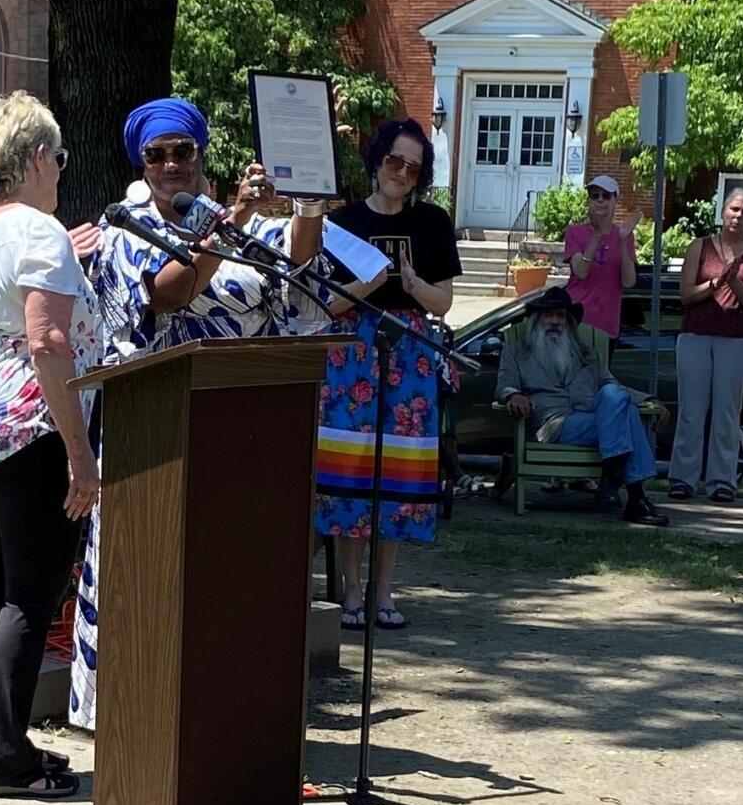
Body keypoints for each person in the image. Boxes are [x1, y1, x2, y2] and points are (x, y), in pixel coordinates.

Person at [70, 96, 322, 730]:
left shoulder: (239, 221)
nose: (171, 165)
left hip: (238, 430)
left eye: (182, 151)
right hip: (150, 432)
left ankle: (225, 714)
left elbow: (298, 268)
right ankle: (131, 716)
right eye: (157, 155)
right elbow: (170, 292)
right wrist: (230, 219)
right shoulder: (124, 227)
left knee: (226, 579)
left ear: (200, 154)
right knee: (145, 579)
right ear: (142, 163)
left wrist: (309, 202)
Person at [0, 92, 101, 799]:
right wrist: (81, 455)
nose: (61, 169)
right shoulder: (41, 232)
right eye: (58, 157)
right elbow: (47, 341)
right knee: (31, 595)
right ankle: (1, 758)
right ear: (36, 157)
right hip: (28, 424)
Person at [316, 118, 459, 632]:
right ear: (377, 161)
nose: (402, 173)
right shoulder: (340, 222)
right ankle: (350, 589)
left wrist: (413, 285)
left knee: (397, 473)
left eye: (413, 168)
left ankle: (384, 590)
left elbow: (444, 301)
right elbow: (323, 306)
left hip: (410, 353)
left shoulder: (433, 223)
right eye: (394, 161)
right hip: (351, 351)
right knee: (347, 470)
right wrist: (368, 284)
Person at [499, 287, 663, 519]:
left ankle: (614, 472)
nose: (555, 322)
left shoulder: (587, 354)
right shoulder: (517, 353)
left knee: (615, 397)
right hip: (555, 424)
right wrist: (513, 395)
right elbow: (504, 384)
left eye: (561, 316)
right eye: (549, 315)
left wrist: (648, 399)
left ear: (568, 323)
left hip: (595, 418)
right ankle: (633, 494)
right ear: (537, 320)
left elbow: (613, 386)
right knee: (628, 415)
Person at [669, 188, 743, 503]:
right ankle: (683, 479)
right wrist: (715, 282)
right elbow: (686, 295)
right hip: (696, 335)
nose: (739, 216)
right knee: (691, 410)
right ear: (722, 211)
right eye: (734, 209)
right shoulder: (699, 247)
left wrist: (734, 279)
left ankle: (721, 481)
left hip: (737, 339)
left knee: (727, 411)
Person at [559, 175, 637, 350]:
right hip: (577, 322)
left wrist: (624, 242)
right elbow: (580, 271)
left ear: (615, 200)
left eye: (606, 195)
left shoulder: (624, 234)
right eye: (595, 196)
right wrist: (598, 235)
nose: (600, 200)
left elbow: (629, 281)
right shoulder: (574, 232)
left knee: (600, 377)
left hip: (606, 326)